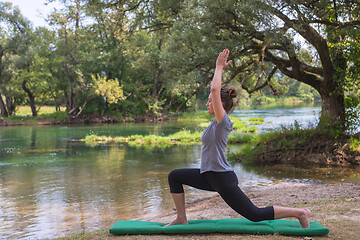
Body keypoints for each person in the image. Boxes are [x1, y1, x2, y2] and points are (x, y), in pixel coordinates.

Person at [164, 49, 311, 228]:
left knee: (255, 215)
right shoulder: (214, 123)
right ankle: (181, 218)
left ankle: (300, 213)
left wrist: (219, 67)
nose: (207, 103)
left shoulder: (223, 122)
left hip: (222, 179)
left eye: (210, 101)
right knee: (175, 177)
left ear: (221, 104)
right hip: (208, 176)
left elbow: (214, 88)